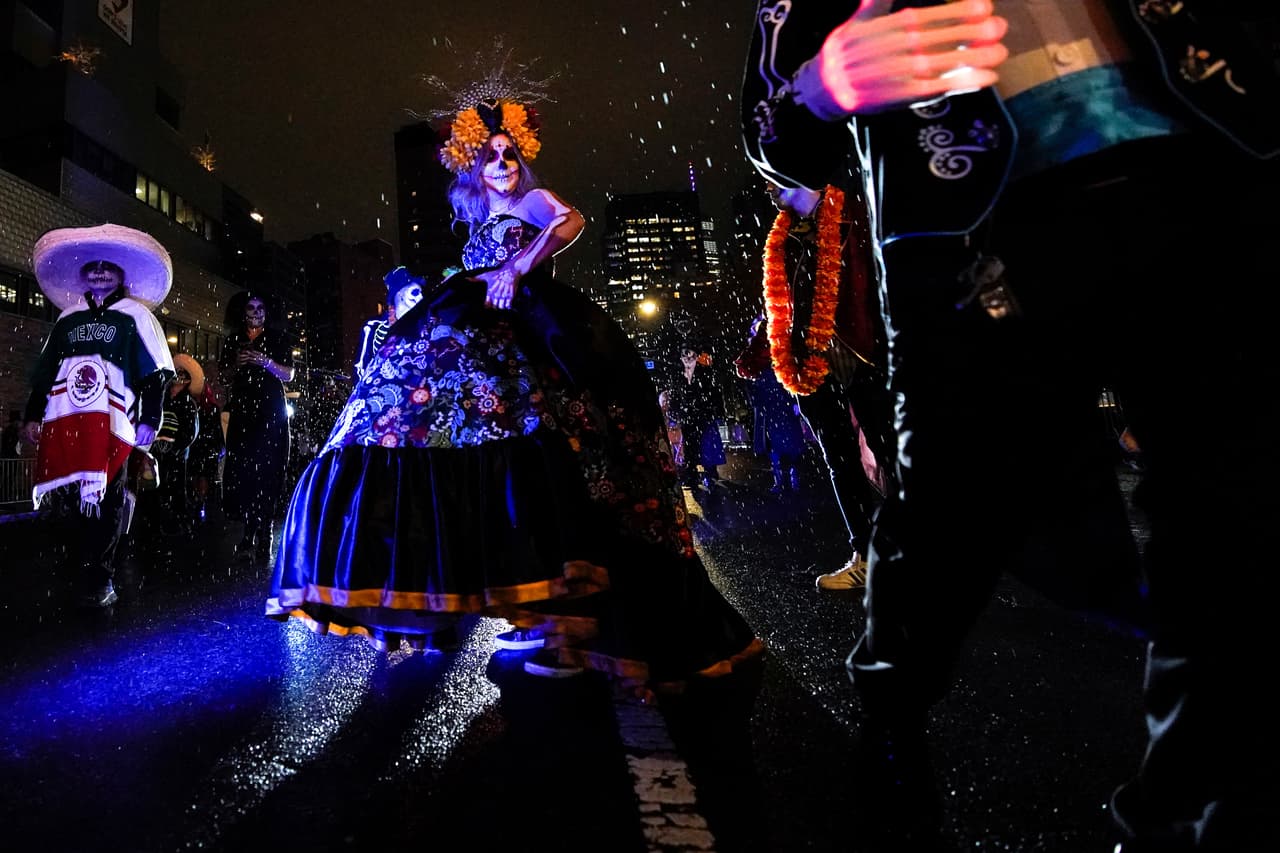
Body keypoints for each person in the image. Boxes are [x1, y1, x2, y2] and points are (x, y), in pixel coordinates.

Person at [742, 1, 1278, 850]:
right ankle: (891, 729)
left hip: (1210, 169)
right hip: (976, 225)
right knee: (947, 515)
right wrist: (821, 84)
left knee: (1237, 519)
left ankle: (1187, 804)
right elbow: (772, 131)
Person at [266, 83, 760, 692]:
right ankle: (520, 600)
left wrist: (517, 266)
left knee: (553, 460)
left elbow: (569, 221)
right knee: (460, 444)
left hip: (533, 342)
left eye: (510, 154)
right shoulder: (483, 216)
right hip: (491, 344)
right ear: (473, 167)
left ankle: (565, 623)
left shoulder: (532, 202)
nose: (502, 164)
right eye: (490, 156)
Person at [734, 177, 895, 593]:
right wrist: (755, 354)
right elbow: (776, 306)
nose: (768, 190)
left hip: (865, 356)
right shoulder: (782, 241)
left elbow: (885, 280)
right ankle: (866, 555)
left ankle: (920, 547)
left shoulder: (854, 216)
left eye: (774, 181)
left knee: (892, 450)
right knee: (840, 460)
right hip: (811, 369)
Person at [22, 224, 175, 607]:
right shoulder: (68, 319)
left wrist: (150, 419)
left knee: (107, 499)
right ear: (83, 273)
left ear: (123, 274)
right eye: (93, 267)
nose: (100, 272)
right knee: (70, 499)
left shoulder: (135, 316)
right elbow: (46, 373)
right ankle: (76, 568)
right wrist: (32, 416)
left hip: (113, 424)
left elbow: (155, 372)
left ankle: (101, 577)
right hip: (68, 423)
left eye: (109, 267)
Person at [219, 291, 295, 560]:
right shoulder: (233, 340)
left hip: (271, 412)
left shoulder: (278, 338)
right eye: (251, 307)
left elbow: (289, 373)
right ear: (243, 312)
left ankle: (265, 533)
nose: (255, 312)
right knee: (244, 471)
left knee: (269, 470)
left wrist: (267, 362)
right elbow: (223, 376)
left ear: (267, 311)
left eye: (260, 307)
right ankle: (248, 532)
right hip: (242, 412)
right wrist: (236, 366)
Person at [665, 345, 728, 489]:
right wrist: (674, 412)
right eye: (684, 356)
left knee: (707, 443)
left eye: (690, 356)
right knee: (690, 446)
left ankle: (710, 472)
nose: (687, 359)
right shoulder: (679, 376)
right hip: (687, 417)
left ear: (695, 357)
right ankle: (692, 475)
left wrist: (718, 412)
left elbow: (715, 393)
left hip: (703, 415)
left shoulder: (705, 373)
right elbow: (675, 397)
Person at [354, 266, 426, 382]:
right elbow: (361, 365)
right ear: (399, 294)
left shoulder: (424, 324)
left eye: (421, 292)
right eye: (415, 292)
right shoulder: (373, 326)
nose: (421, 297)